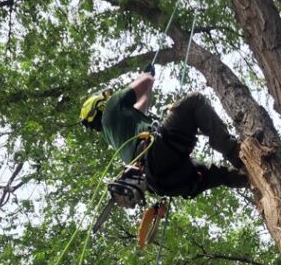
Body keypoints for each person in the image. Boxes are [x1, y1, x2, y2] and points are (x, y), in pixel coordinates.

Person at [84, 67, 248, 198]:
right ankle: (235, 152)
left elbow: (142, 104)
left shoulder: (115, 132)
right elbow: (146, 82)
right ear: (100, 105)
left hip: (162, 183)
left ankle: (250, 180)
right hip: (158, 152)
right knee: (194, 102)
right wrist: (146, 74)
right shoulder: (112, 107)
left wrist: (147, 85)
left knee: (213, 174)